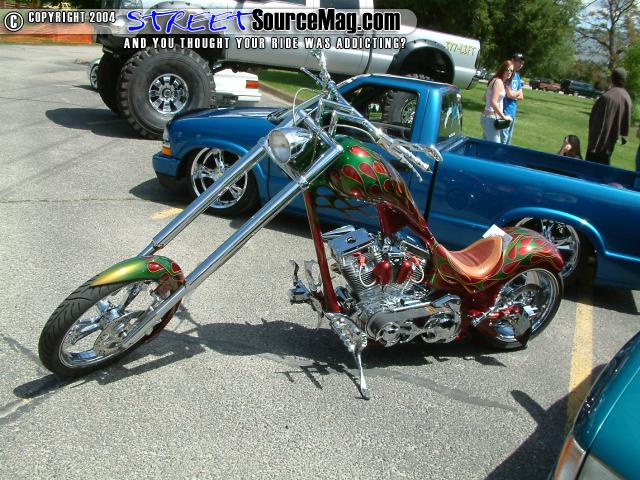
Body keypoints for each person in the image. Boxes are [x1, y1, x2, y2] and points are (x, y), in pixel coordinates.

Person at [586, 68, 632, 165]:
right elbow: (625, 121)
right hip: (610, 143)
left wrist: (594, 142)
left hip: (598, 144)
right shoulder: (626, 97)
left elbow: (598, 122)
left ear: (612, 78)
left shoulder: (607, 97)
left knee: (591, 170)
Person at [481, 60, 514, 143]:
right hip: (491, 118)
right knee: (495, 147)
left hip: (488, 117)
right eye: (507, 69)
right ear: (503, 69)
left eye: (511, 70)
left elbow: (484, 98)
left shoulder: (496, 80)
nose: (509, 72)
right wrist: (504, 117)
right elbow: (493, 102)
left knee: (486, 146)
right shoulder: (498, 82)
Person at [501, 53, 525, 144]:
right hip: (504, 112)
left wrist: (514, 94)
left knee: (508, 141)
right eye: (519, 62)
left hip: (512, 112)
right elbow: (509, 94)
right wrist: (517, 93)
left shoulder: (517, 76)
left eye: (522, 63)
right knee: (503, 141)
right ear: (512, 60)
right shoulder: (508, 75)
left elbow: (521, 96)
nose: (521, 65)